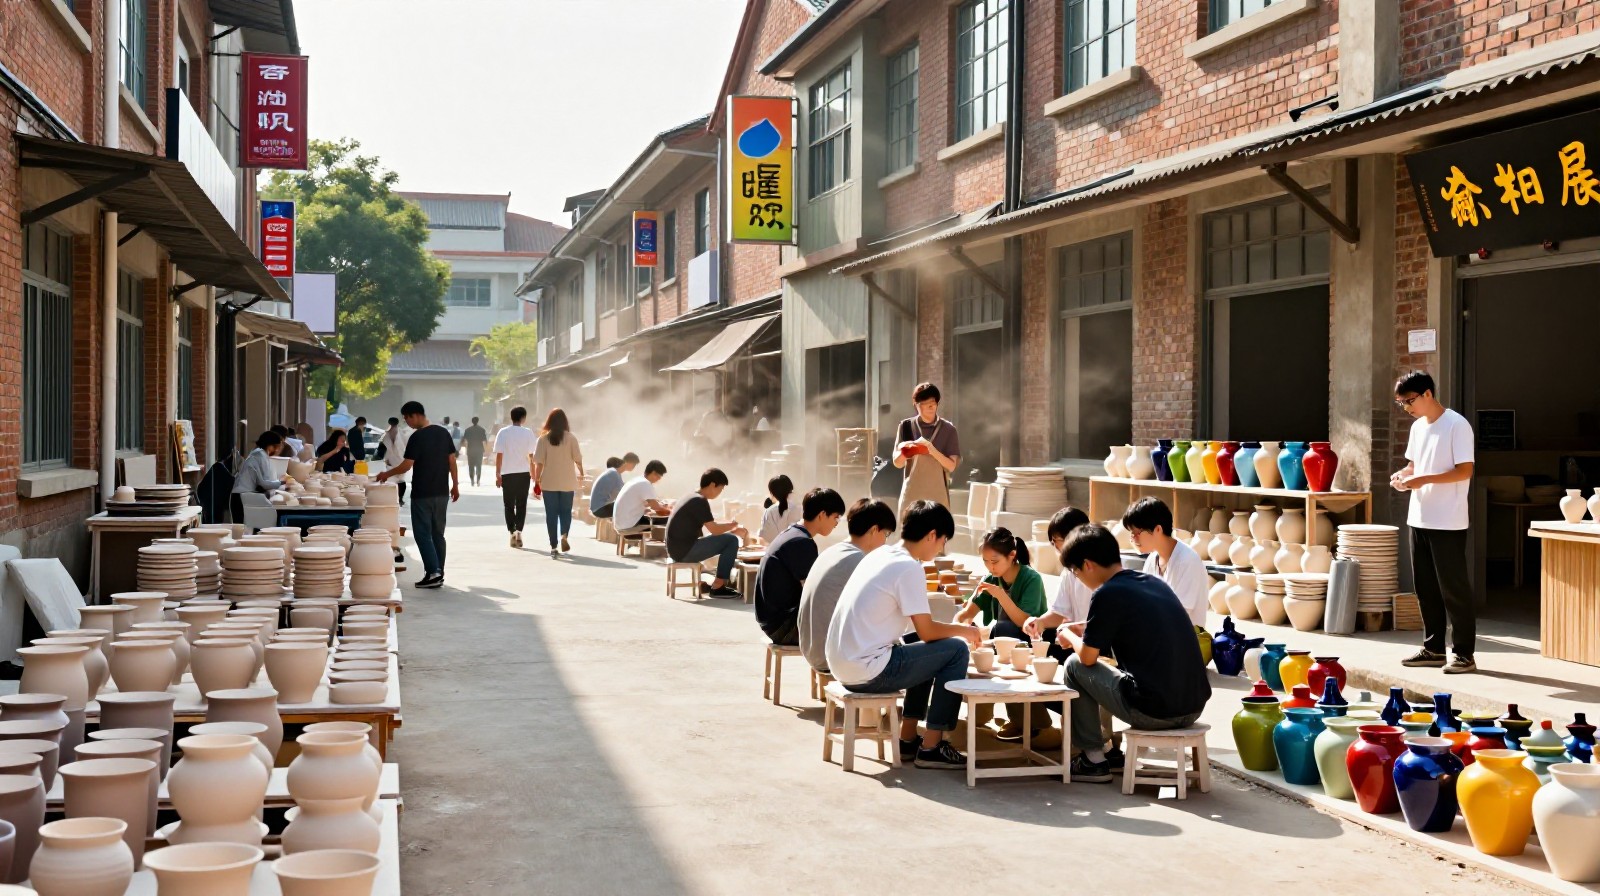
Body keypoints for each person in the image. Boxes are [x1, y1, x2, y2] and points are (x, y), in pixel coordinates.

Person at [826, 500, 979, 770]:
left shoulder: (878, 555)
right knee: (956, 650)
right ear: (932, 535)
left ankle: (907, 739)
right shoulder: (909, 567)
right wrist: (965, 630)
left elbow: (922, 634)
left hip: (841, 663)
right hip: (867, 670)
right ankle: (931, 746)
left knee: (922, 645)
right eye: (943, 541)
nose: (941, 548)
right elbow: (928, 631)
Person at [1057, 525, 1212, 782]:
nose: (1077, 578)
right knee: (1107, 665)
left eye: (1075, 572)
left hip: (1154, 713)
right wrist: (1085, 628)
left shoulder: (1106, 593)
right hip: (1194, 706)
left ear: (1087, 565)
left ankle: (1093, 758)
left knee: (1075, 665)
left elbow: (1087, 658)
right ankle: (1109, 751)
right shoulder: (1152, 583)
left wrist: (1068, 635)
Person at [1392, 370, 1477, 674]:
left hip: (1448, 520)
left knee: (1454, 590)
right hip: (1419, 516)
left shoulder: (1457, 424)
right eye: (1401, 403)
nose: (1406, 408)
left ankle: (1464, 654)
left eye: (1409, 401)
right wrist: (1403, 476)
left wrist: (1423, 479)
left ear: (1427, 393)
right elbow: (1414, 465)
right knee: (1425, 588)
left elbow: (1465, 471)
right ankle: (1433, 649)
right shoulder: (1418, 428)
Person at [955, 528, 1053, 743]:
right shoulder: (991, 578)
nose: (990, 567)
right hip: (1005, 642)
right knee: (976, 646)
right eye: (985, 561)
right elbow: (966, 613)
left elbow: (1024, 622)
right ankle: (983, 711)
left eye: (995, 561)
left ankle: (1031, 723)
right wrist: (962, 625)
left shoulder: (1031, 578)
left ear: (1012, 555)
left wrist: (1000, 595)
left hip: (1033, 642)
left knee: (1002, 631)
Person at [797, 499, 896, 674]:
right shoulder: (859, 561)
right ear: (874, 530)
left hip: (811, 650)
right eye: (886, 534)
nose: (885, 542)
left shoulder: (832, 551)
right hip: (833, 658)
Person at [375, 401, 458, 589]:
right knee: (438, 534)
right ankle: (438, 572)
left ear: (415, 415)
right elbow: (451, 460)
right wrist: (455, 485)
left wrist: (386, 474)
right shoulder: (443, 433)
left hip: (423, 492)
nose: (407, 423)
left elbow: (407, 465)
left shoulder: (417, 437)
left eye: (407, 419)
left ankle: (433, 572)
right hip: (442, 492)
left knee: (422, 534)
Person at [755, 488, 846, 645]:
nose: (836, 524)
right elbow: (814, 593)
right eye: (836, 517)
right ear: (822, 515)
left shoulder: (793, 533)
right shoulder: (801, 542)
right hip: (784, 627)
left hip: (773, 622)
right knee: (850, 629)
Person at [1122, 497, 1211, 627]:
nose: (1133, 539)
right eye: (1131, 533)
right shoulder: (1152, 559)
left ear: (1158, 529)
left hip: (1185, 636)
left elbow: (1177, 614)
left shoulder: (1188, 560)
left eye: (1137, 533)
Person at [665, 468, 747, 597]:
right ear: (712, 485)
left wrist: (727, 527)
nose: (719, 493)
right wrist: (733, 527)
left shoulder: (691, 496)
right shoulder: (700, 501)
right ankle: (718, 586)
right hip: (684, 551)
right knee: (731, 540)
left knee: (724, 538)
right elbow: (714, 529)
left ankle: (715, 582)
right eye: (720, 489)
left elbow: (710, 525)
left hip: (675, 549)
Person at [892, 382, 961, 518]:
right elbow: (897, 463)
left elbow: (951, 466)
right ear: (916, 405)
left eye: (933, 402)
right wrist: (907, 452)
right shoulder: (906, 426)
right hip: (911, 496)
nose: (930, 406)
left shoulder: (948, 429)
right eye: (925, 403)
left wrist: (931, 450)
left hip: (938, 497)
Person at [532, 408, 584, 558]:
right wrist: (581, 473)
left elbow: (539, 463)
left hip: (549, 482)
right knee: (566, 511)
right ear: (565, 422)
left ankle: (553, 546)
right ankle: (564, 535)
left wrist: (536, 481)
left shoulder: (543, 439)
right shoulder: (571, 438)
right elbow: (578, 459)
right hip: (568, 482)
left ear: (549, 422)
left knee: (551, 514)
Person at [493, 406, 537, 548]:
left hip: (507, 474)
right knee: (521, 504)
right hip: (524, 473)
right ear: (523, 418)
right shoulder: (528, 433)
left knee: (509, 505)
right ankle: (519, 531)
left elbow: (499, 455)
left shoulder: (503, 432)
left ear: (511, 417)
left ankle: (511, 531)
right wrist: (534, 474)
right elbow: (531, 456)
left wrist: (498, 474)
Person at [231, 430, 285, 523]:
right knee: (244, 527)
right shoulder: (260, 456)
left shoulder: (257, 453)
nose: (277, 451)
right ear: (270, 445)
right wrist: (282, 483)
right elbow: (264, 483)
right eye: (276, 447)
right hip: (242, 496)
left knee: (245, 527)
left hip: (240, 495)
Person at [613, 460, 671, 535]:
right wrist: (670, 511)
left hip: (621, 523)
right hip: (628, 525)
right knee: (668, 521)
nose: (659, 479)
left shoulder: (638, 480)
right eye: (659, 476)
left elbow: (643, 504)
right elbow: (655, 506)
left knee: (653, 517)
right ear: (653, 473)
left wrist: (647, 509)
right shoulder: (645, 483)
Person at [589, 453, 639, 520]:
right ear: (629, 462)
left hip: (597, 508)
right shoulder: (614, 474)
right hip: (600, 509)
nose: (634, 467)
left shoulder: (613, 472)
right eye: (634, 464)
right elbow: (622, 495)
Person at [757, 474, 802, 544]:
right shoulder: (802, 508)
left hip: (777, 549)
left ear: (772, 492)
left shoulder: (770, 511)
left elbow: (765, 539)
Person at [377, 417, 411, 506]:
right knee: (396, 480)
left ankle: (399, 498)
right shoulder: (388, 434)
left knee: (399, 480)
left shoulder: (401, 433)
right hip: (393, 459)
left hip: (399, 459)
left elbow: (407, 445)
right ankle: (396, 498)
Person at [462, 417, 489, 487]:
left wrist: (465, 448)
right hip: (479, 450)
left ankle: (472, 480)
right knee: (479, 465)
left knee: (471, 465)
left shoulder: (468, 430)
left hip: (470, 450)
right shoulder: (482, 430)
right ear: (478, 421)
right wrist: (486, 450)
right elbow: (484, 441)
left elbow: (464, 441)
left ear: (472, 421)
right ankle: (478, 479)